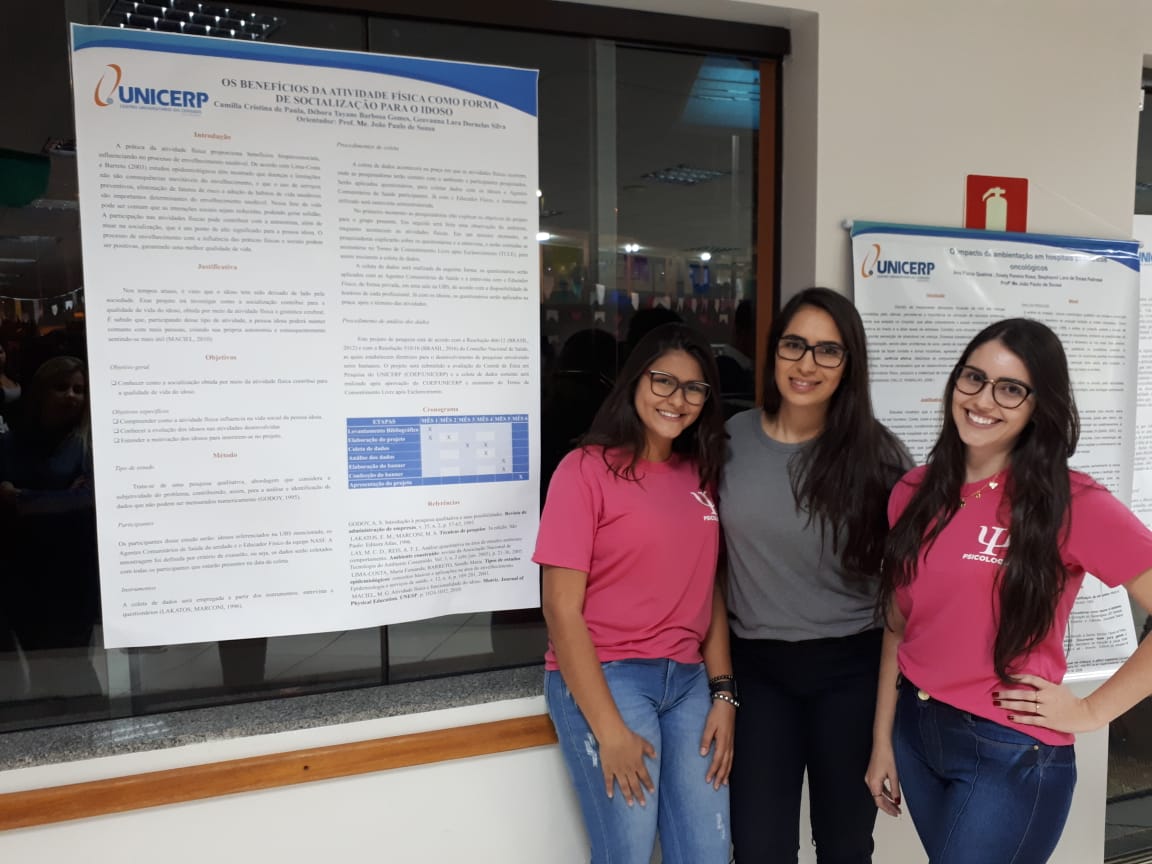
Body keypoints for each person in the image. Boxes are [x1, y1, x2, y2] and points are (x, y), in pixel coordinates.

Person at [867, 318, 1152, 864]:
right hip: (918, 733)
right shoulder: (913, 492)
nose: (983, 400)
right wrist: (882, 740)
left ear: (1039, 406)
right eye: (974, 378)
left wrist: (1092, 711)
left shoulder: (1070, 503)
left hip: (1009, 751)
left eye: (1011, 388)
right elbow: (898, 628)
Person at [720, 287, 908, 863]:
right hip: (758, 672)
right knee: (758, 848)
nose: (807, 364)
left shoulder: (879, 456)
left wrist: (886, 733)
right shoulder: (728, 440)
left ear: (849, 364)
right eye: (794, 345)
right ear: (773, 351)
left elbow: (905, 599)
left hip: (850, 671)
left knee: (845, 847)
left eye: (828, 350)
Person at [535, 322, 733, 864]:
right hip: (610, 676)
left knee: (709, 853)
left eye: (694, 388)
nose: (677, 399)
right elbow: (560, 609)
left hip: (688, 683)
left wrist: (723, 694)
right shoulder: (584, 471)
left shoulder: (701, 473)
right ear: (635, 381)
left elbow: (709, 589)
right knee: (628, 851)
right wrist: (609, 730)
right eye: (663, 381)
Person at [0, 355, 101, 701]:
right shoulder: (11, 443)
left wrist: (21, 498)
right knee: (39, 661)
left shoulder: (87, 445)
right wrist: (57, 498)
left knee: (74, 663)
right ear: (41, 391)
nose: (72, 395)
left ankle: (87, 726)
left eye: (79, 389)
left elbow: (86, 499)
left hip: (72, 570)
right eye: (61, 387)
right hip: (22, 568)